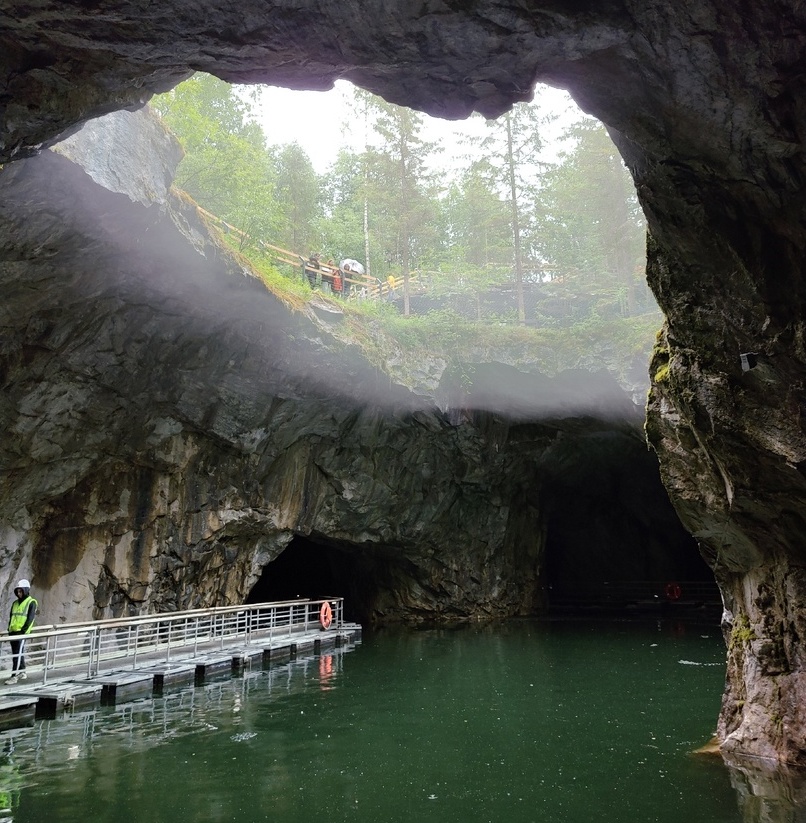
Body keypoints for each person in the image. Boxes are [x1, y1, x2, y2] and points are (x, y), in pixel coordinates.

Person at [6, 580, 36, 685]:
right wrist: (9, 629)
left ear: (26, 591)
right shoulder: (15, 603)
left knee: (17, 654)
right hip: (13, 632)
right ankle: (22, 672)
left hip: (21, 633)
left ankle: (14, 676)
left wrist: (23, 631)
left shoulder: (31, 602)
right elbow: (12, 617)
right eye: (17, 591)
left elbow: (30, 619)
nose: (19, 594)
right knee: (17, 654)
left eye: (21, 591)